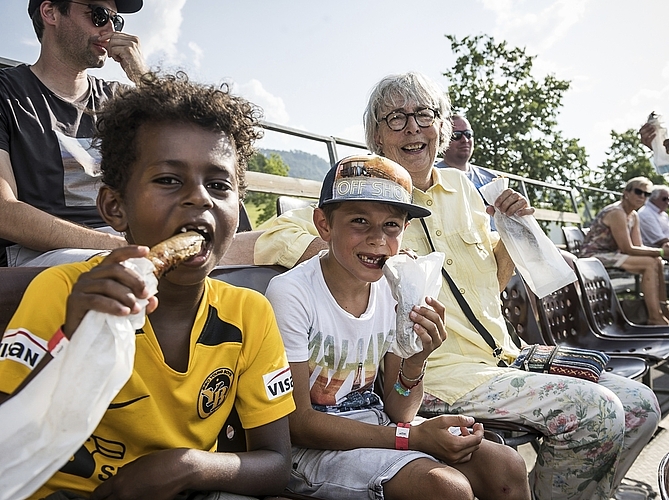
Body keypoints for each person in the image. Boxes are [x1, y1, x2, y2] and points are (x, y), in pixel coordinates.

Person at [254, 71, 660, 500]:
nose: (412, 127)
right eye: (395, 118)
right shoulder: (367, 192)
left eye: (424, 115)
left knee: (639, 406)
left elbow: (494, 278)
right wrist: (356, 248)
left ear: (441, 128)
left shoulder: (464, 189)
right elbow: (274, 235)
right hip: (443, 376)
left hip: (506, 356)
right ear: (376, 134)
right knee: (596, 412)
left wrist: (515, 230)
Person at [0, 73, 295, 499]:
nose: (200, 199)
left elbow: (276, 463)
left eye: (218, 185)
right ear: (114, 207)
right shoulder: (65, 292)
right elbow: (8, 440)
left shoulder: (249, 314)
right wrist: (67, 338)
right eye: (168, 180)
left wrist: (188, 466)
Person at [265, 154, 530, 500]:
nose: (378, 239)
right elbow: (297, 423)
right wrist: (411, 439)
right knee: (446, 489)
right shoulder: (292, 293)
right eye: (359, 221)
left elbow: (399, 409)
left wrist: (417, 360)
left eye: (391, 225)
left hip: (378, 426)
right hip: (308, 451)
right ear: (324, 224)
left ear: (405, 230)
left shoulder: (395, 288)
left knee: (506, 466)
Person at [0, 0, 149, 267]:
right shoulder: (7, 95)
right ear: (51, 12)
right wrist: (123, 246)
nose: (110, 29)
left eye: (116, 20)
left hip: (120, 244)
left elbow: (195, 141)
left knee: (248, 249)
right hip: (37, 253)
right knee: (134, 268)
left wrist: (144, 77)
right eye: (99, 15)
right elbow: (4, 212)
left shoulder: (118, 100)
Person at [580, 177, 669, 325]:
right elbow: (627, 248)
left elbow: (638, 246)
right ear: (626, 193)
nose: (642, 196)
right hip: (593, 257)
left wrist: (660, 253)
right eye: (638, 192)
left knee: (657, 261)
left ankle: (662, 309)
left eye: (646, 194)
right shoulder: (617, 212)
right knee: (649, 263)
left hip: (612, 254)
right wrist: (660, 252)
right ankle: (654, 317)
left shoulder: (633, 215)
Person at [436, 114, 496, 191]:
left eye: (468, 134)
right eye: (456, 135)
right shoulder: (430, 177)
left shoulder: (491, 180)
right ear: (443, 140)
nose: (465, 140)